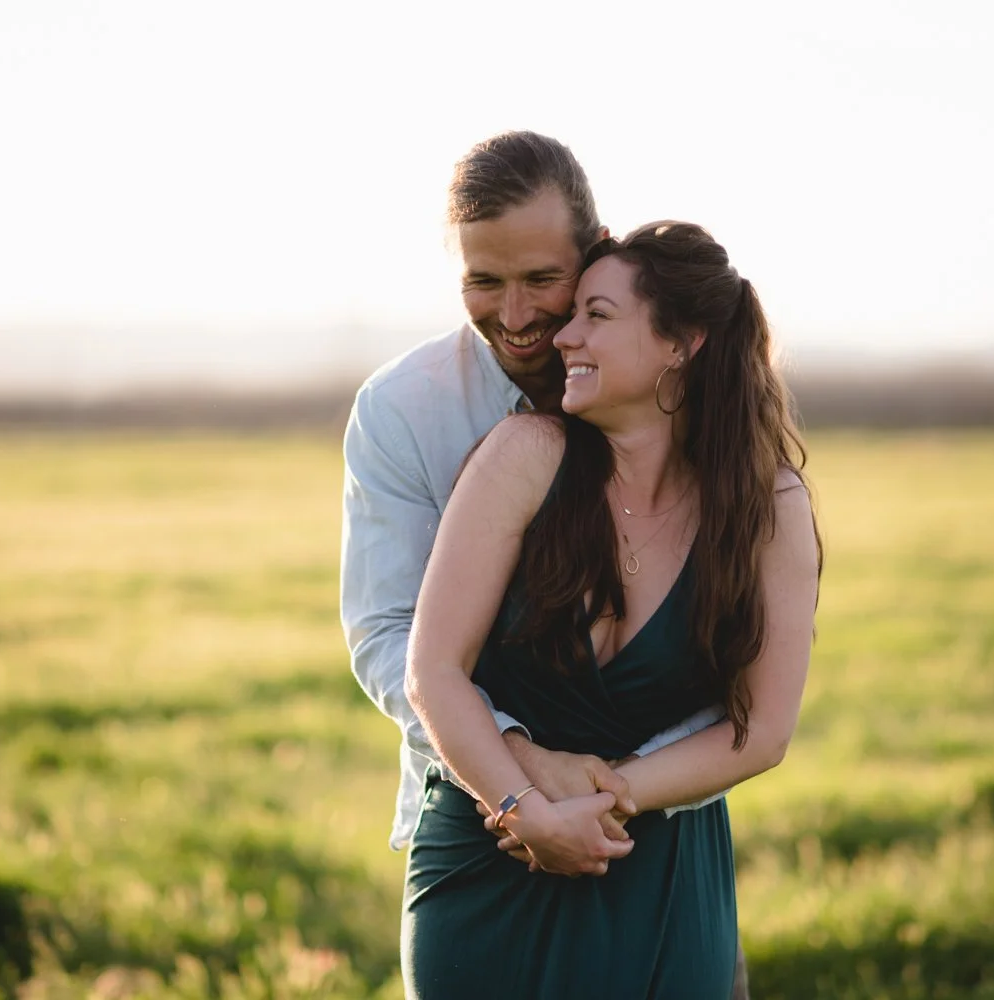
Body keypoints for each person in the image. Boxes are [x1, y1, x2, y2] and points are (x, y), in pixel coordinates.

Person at [340, 133, 747, 993]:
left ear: (596, 251)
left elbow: (738, 669)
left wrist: (607, 791)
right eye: (483, 282)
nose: (516, 315)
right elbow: (388, 637)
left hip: (654, 834)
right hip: (486, 822)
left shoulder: (706, 422)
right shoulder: (404, 411)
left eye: (541, 280)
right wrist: (524, 767)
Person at [402, 221, 820, 997]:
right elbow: (433, 668)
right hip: (490, 856)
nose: (565, 336)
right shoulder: (525, 456)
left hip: (651, 863)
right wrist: (524, 809)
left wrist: (606, 803)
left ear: (681, 343)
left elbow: (762, 732)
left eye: (597, 314)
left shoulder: (767, 505)